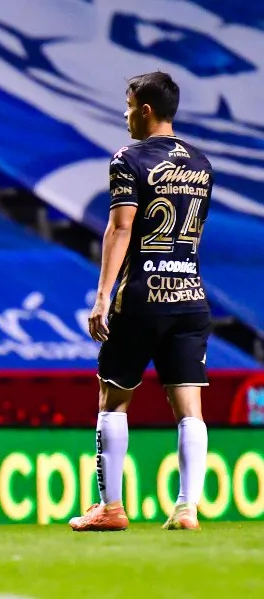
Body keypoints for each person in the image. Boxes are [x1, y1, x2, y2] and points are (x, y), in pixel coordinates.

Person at [70, 72, 212, 532]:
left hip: (142, 295)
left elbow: (121, 228)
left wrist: (102, 296)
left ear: (146, 110)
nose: (126, 115)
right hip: (191, 295)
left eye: (129, 105)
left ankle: (110, 508)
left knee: (113, 400)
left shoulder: (128, 158)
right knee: (189, 407)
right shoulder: (202, 163)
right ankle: (187, 507)